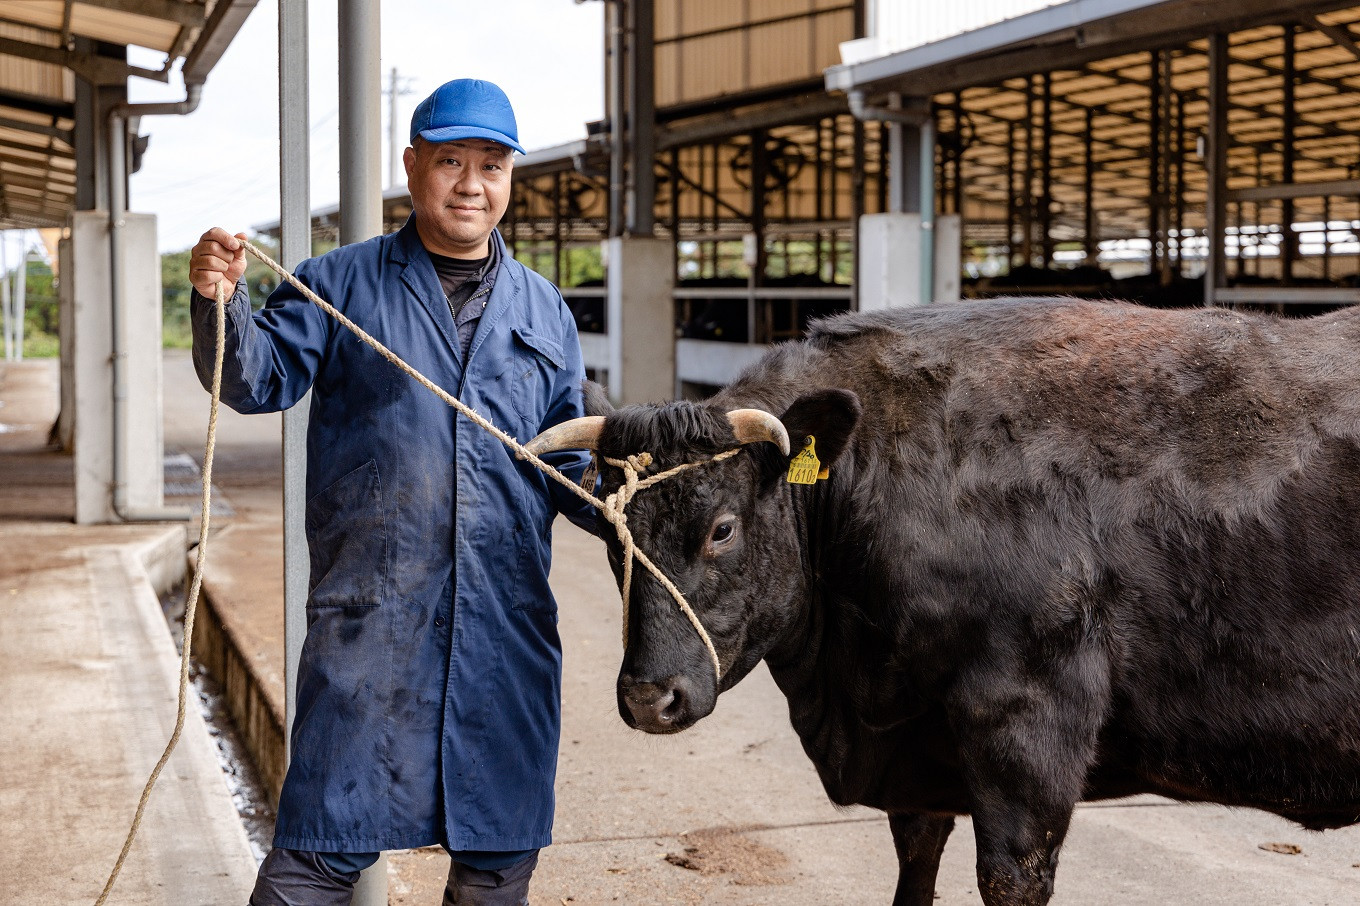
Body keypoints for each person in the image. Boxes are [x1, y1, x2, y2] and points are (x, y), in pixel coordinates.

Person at [188, 78, 597, 906]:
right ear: (413, 166)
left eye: (491, 164)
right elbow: (254, 379)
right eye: (451, 161)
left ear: (510, 178)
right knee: (317, 856)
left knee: (496, 866)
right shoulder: (339, 284)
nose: (472, 184)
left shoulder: (545, 311)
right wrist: (215, 303)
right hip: (372, 627)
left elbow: (574, 467)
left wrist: (660, 501)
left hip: (504, 637)